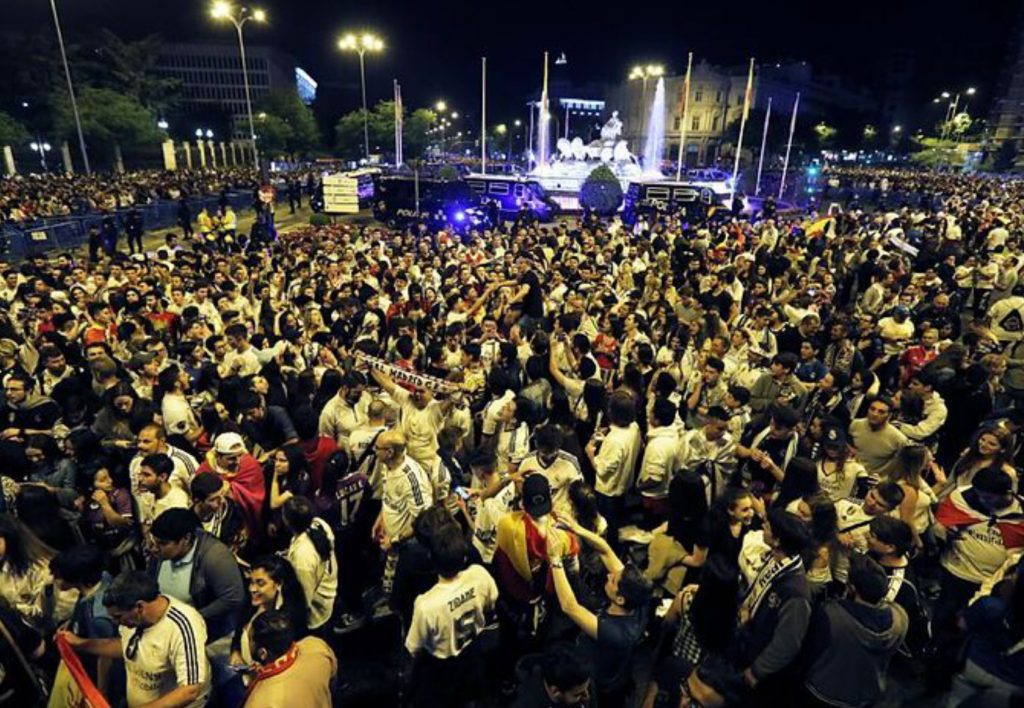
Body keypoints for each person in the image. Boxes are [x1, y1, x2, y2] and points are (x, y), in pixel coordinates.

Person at [59, 570, 211, 708]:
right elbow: (125, 646)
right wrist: (80, 644)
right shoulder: (133, 621)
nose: (116, 622)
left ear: (139, 607)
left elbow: (190, 689)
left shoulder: (183, 626)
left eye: (118, 617)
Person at [548, 512, 651, 708]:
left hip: (601, 681)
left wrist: (554, 559)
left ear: (620, 598)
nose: (608, 577)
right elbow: (605, 551)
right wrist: (577, 528)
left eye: (613, 580)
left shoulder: (616, 632)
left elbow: (570, 606)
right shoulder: (638, 597)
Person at [405, 525, 499, 707]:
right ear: (464, 557)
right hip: (475, 651)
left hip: (443, 667)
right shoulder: (479, 574)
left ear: (432, 559)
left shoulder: (426, 604)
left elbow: (414, 647)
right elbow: (491, 605)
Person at [801, 553, 909, 707]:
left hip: (824, 690)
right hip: (866, 695)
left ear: (852, 588)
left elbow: (810, 650)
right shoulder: (900, 617)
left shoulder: (832, 616)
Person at [148, 508, 246, 642]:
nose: (154, 548)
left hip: (203, 632)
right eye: (154, 542)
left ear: (186, 539)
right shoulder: (159, 553)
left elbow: (233, 597)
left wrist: (191, 618)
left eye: (163, 543)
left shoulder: (216, 557)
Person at [243, 610, 336, 708]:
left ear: (262, 653)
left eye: (249, 639)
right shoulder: (316, 646)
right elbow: (332, 686)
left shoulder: (259, 703)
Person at [281, 496, 338, 633]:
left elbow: (304, 598)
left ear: (287, 522)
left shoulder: (303, 557)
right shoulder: (319, 523)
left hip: (316, 616)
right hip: (328, 591)